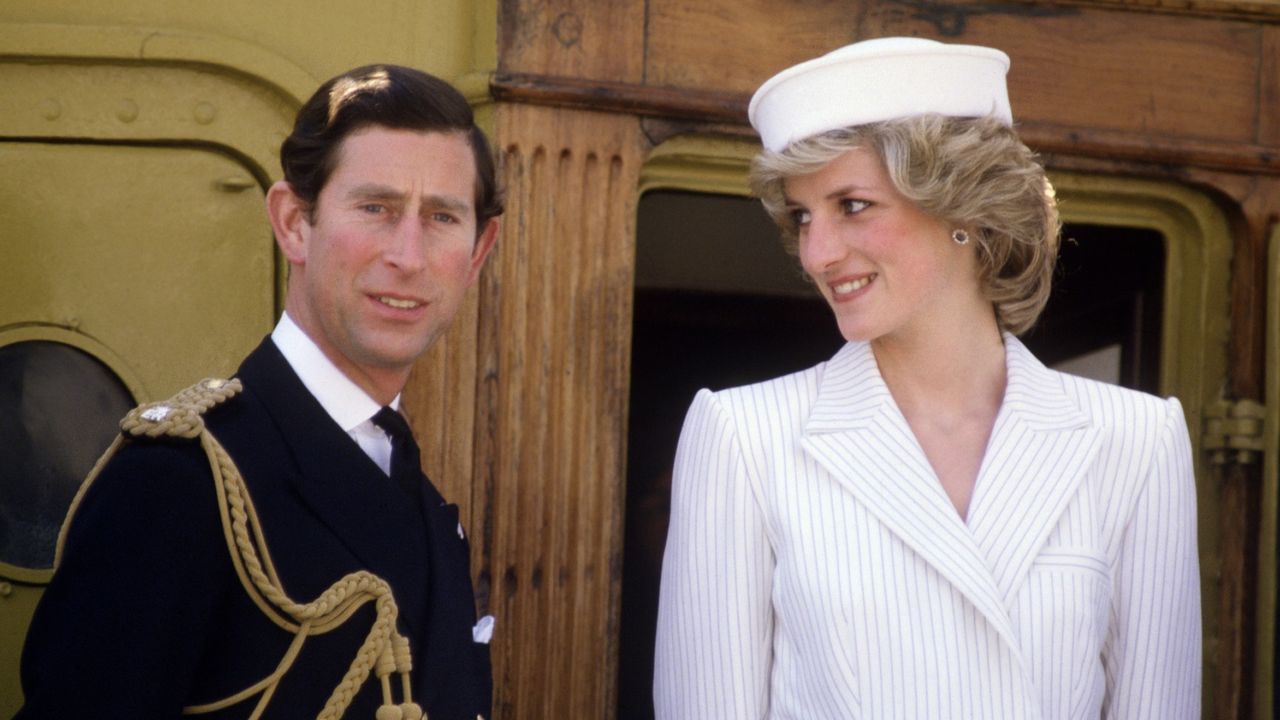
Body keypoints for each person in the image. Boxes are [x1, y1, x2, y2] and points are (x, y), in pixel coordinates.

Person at [653, 37, 1201, 719]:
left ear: (964, 209)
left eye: (851, 204)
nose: (817, 253)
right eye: (802, 216)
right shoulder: (745, 437)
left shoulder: (1137, 443)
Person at [16, 64, 501, 720]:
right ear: (295, 222)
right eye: (376, 208)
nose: (408, 255)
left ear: (477, 252)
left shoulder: (418, 494)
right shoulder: (179, 483)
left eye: (442, 216)